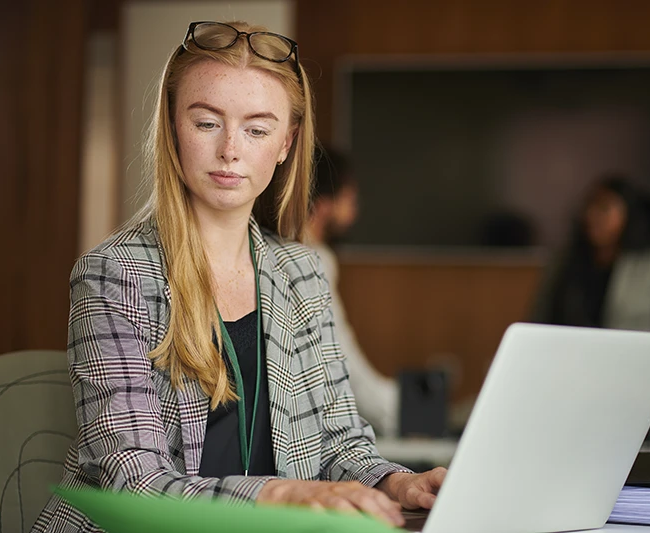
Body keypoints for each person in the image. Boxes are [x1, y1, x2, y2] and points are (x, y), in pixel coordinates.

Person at [33, 21, 444, 532]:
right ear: (173, 127)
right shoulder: (114, 273)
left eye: (257, 129)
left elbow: (339, 442)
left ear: (286, 143)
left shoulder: (302, 272)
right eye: (207, 123)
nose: (231, 149)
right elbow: (135, 481)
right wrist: (284, 493)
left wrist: (397, 483)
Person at [529, 174, 650, 436]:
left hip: (635, 405)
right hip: (570, 402)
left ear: (628, 214)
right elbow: (536, 328)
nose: (592, 215)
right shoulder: (564, 263)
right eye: (589, 206)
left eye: (604, 208)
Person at [305, 145, 400, 436]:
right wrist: (400, 411)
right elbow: (345, 367)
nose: (355, 211)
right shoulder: (312, 261)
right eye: (350, 198)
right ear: (324, 205)